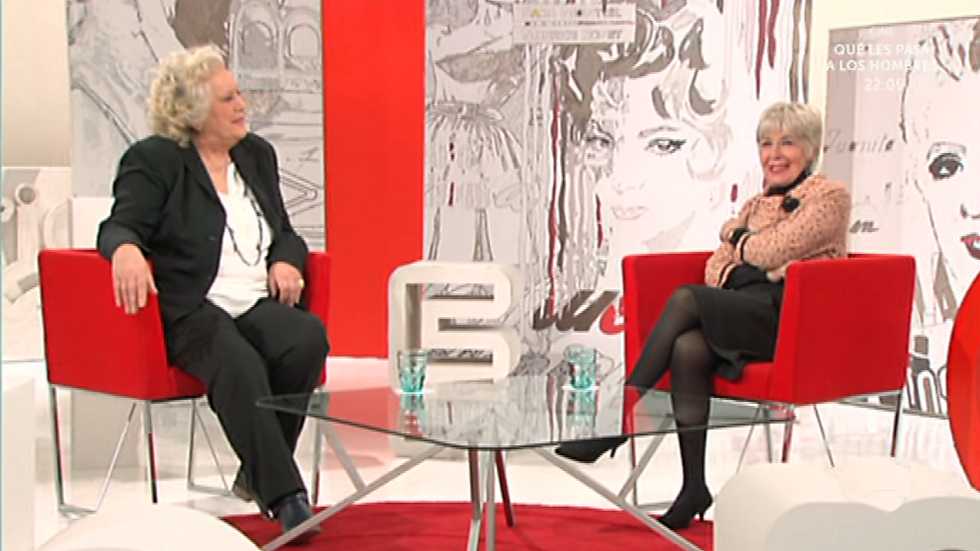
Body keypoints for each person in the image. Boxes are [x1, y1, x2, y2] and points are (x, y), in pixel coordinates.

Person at [555, 102, 851, 530]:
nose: (774, 154)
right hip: (749, 307)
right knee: (687, 347)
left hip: (793, 319)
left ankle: (620, 422)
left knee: (686, 298)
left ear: (810, 148)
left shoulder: (828, 197)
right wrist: (752, 264)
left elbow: (770, 250)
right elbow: (717, 266)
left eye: (787, 143)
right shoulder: (755, 204)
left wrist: (739, 240)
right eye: (766, 144)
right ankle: (694, 485)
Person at [96, 45, 327, 541]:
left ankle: (258, 469)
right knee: (237, 362)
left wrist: (286, 259)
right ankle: (287, 499)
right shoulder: (155, 160)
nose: (243, 105)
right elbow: (118, 225)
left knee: (306, 338)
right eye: (228, 99)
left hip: (253, 300)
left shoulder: (256, 154)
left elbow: (285, 232)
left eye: (238, 94)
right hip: (193, 308)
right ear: (193, 112)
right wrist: (126, 250)